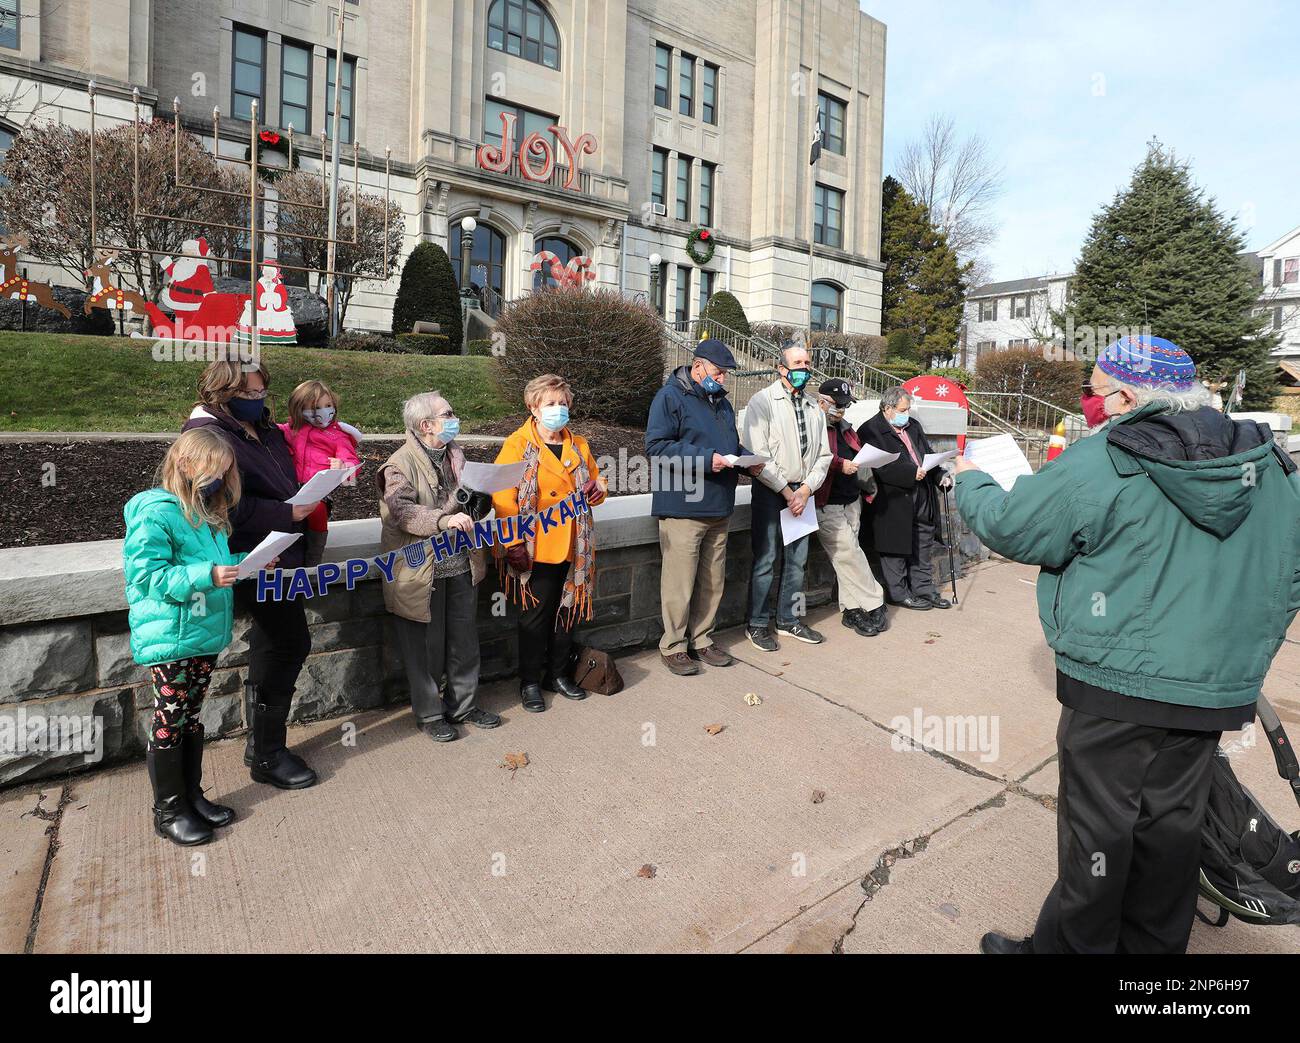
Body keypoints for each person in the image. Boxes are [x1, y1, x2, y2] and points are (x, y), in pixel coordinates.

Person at [957, 335, 1300, 955]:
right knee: (1170, 832)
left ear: (1123, 396)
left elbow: (1015, 526)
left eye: (1092, 389)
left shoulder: (1109, 457)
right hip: (1212, 690)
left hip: (1116, 685)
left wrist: (972, 483)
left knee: (1098, 839)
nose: (1090, 402)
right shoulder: (1270, 465)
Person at [183, 361, 320, 790]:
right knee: (286, 642)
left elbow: (283, 478)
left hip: (282, 551)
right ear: (221, 394)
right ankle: (267, 754)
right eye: (249, 394)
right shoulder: (205, 437)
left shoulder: (264, 428)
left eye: (263, 393)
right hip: (251, 556)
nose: (258, 400)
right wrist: (286, 512)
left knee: (277, 644)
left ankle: (262, 745)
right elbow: (216, 503)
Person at [123, 429, 262, 845]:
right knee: (169, 716)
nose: (220, 476)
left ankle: (190, 796)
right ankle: (168, 810)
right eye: (212, 468)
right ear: (185, 464)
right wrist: (208, 575)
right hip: (171, 634)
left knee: (189, 715)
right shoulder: (156, 512)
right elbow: (146, 577)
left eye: (224, 469)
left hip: (200, 634)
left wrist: (248, 563)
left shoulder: (208, 513)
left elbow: (214, 564)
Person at [377, 391, 500, 742]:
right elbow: (402, 512)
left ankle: (462, 705)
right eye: (448, 413)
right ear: (425, 425)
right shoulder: (398, 464)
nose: (454, 417)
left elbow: (472, 510)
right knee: (425, 648)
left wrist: (482, 498)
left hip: (461, 564)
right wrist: (443, 521)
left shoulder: (457, 457)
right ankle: (430, 714)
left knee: (464, 641)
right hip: (419, 571)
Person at [646, 339, 763, 675]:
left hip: (718, 506)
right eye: (718, 372)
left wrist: (745, 462)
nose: (723, 379)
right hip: (683, 507)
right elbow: (656, 447)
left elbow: (727, 446)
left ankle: (702, 640)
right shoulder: (669, 397)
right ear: (697, 367)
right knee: (679, 583)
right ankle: (674, 646)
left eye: (725, 374)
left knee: (713, 580)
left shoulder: (721, 404)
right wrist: (704, 460)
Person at [493, 374, 607, 712]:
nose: (558, 409)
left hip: (574, 545)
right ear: (533, 407)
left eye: (562, 403)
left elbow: (596, 481)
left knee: (566, 613)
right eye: (550, 403)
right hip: (534, 547)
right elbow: (503, 497)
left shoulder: (579, 444)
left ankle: (556, 675)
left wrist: (598, 489)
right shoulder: (516, 444)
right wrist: (513, 543)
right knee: (534, 618)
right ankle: (529, 681)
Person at [740, 343, 832, 650]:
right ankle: (756, 624)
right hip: (771, 491)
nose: (803, 368)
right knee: (765, 559)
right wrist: (787, 491)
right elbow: (758, 455)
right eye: (797, 363)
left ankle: (790, 620)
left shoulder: (813, 407)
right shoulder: (762, 401)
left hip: (802, 493)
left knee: (798, 562)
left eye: (807, 363)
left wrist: (805, 490)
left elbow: (824, 455)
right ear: (782, 368)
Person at [858, 386, 952, 611]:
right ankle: (898, 593)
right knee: (895, 547)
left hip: (922, 492)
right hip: (893, 499)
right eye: (903, 409)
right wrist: (910, 473)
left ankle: (923, 588)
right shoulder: (871, 430)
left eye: (908, 409)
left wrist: (939, 475)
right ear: (888, 409)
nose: (906, 414)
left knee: (923, 540)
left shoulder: (913, 426)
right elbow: (877, 465)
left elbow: (926, 454)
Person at [813, 379, 888, 637]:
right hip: (826, 501)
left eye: (845, 405)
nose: (842, 411)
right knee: (848, 552)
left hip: (851, 498)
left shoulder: (846, 429)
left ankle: (851, 610)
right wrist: (839, 464)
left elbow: (857, 455)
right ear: (822, 401)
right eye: (838, 405)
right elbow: (812, 456)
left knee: (846, 557)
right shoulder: (814, 426)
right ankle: (875, 600)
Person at [279, 379, 363, 566]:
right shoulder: (291, 430)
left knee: (316, 511)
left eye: (328, 405)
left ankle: (314, 557)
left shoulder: (338, 435)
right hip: (290, 487)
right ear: (299, 409)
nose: (323, 412)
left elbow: (351, 460)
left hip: (317, 490)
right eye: (315, 407)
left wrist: (343, 467)